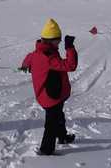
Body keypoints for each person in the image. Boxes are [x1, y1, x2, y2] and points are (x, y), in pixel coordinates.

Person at [20, 18, 78, 155]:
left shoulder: (37, 52)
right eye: (58, 39)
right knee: (51, 123)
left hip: (50, 94)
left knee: (59, 116)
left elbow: (28, 59)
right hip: (51, 96)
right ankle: (46, 150)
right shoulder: (49, 57)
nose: (60, 42)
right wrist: (70, 47)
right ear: (51, 40)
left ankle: (62, 137)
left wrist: (24, 66)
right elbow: (70, 65)